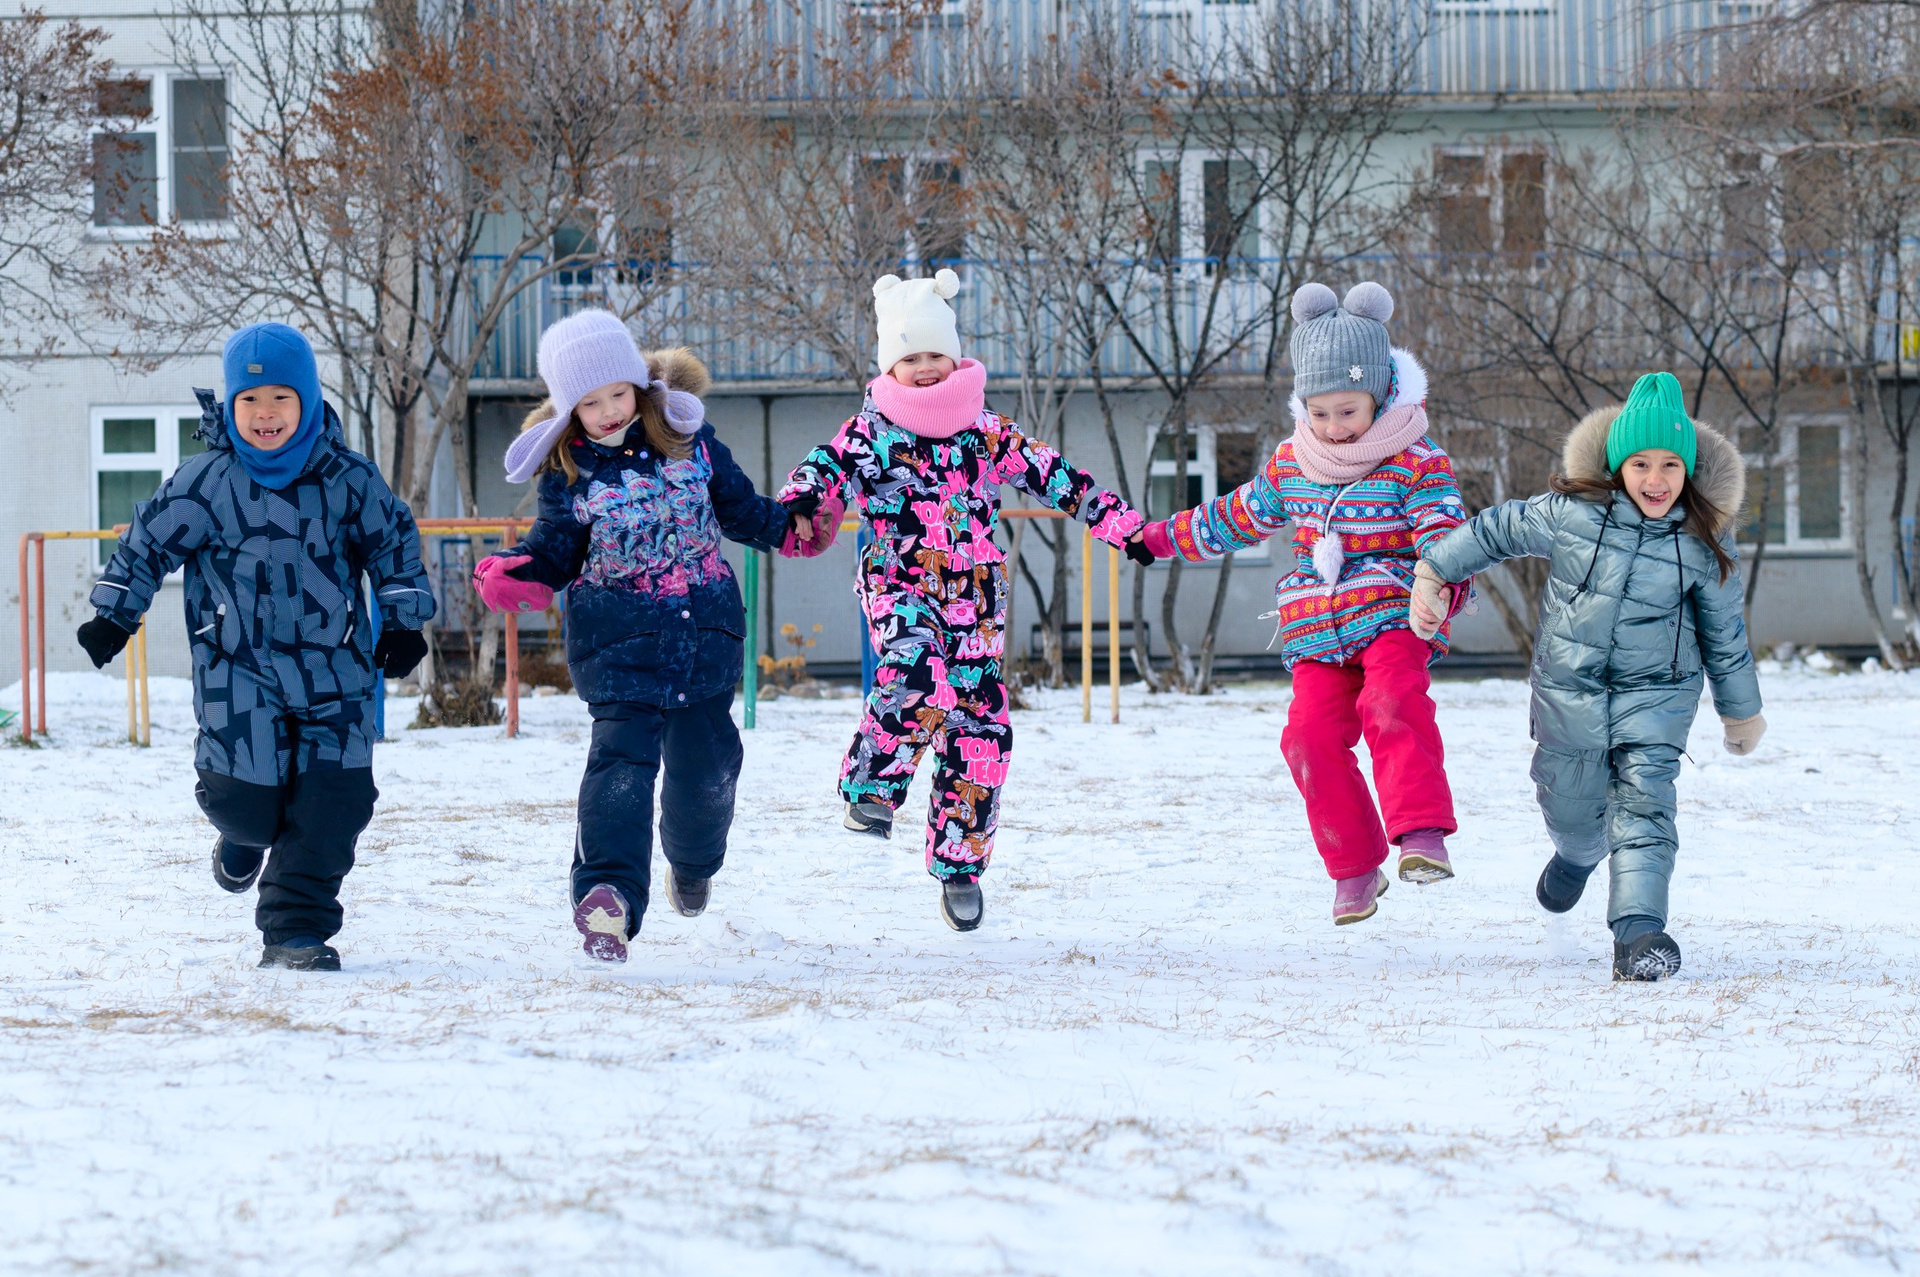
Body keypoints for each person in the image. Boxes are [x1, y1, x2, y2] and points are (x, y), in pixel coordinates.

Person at [777, 269, 1150, 932]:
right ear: (891, 366)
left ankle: (959, 866)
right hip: (900, 586)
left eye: (935, 354)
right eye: (909, 357)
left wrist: (1122, 525)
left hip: (975, 605)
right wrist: (799, 503)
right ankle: (871, 789)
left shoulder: (986, 430)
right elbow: (822, 468)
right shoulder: (871, 431)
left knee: (983, 732)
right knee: (918, 674)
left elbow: (1056, 475)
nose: (924, 368)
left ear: (954, 356)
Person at [77, 322, 433, 971]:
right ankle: (241, 838)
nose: (265, 414)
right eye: (249, 400)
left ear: (307, 399)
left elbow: (393, 544)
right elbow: (147, 543)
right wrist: (114, 615)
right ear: (231, 404)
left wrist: (405, 622)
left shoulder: (348, 480)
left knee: (336, 802)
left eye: (280, 398)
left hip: (334, 671)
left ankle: (295, 930)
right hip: (238, 671)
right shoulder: (207, 481)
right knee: (247, 803)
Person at [1412, 371, 1764, 980]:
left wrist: (1740, 710)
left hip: (1657, 698)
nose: (1656, 480)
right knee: (1573, 813)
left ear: (1687, 471)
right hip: (1568, 695)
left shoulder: (1703, 538)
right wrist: (1435, 570)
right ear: (1618, 465)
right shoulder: (1572, 513)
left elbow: (1725, 632)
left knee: (1646, 809)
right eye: (1641, 464)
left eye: (1671, 466)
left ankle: (1639, 934)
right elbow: (1496, 529)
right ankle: (1576, 859)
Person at [1135, 282, 1468, 926]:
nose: (1335, 428)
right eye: (1320, 413)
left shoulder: (1416, 460)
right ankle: (1355, 866)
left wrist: (1439, 587)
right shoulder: (1294, 462)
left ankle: (1421, 832)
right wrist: (1156, 538)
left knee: (1390, 702)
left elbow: (1445, 535)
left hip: (1394, 616)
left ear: (1381, 395)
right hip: (1318, 631)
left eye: (1349, 411)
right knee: (1307, 738)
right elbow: (1234, 515)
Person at [472, 311, 790, 963]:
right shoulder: (568, 472)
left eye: (617, 393)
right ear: (569, 410)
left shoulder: (691, 440)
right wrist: (520, 572)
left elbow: (741, 510)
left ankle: (694, 863)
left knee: (707, 774)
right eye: (589, 403)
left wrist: (794, 527)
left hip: (704, 643)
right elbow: (555, 550)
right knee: (619, 771)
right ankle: (608, 896)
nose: (609, 411)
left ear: (639, 386)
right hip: (619, 649)